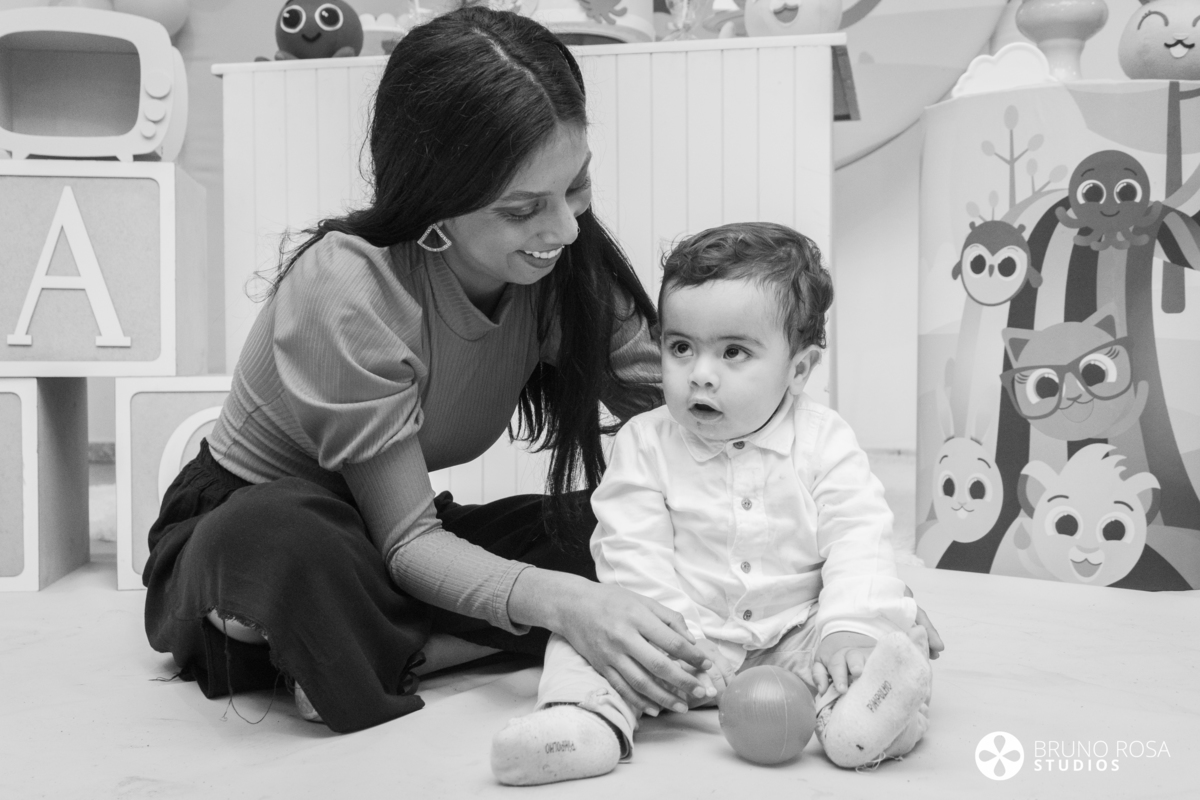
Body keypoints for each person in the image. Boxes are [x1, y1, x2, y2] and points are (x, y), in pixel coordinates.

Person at [142, 7, 718, 734]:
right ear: (435, 201)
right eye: (523, 209)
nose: (565, 229)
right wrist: (568, 603)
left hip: (391, 541)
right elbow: (409, 545)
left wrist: (809, 530)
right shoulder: (348, 286)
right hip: (266, 535)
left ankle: (364, 650)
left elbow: (693, 409)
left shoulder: (564, 266)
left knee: (619, 524)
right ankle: (388, 642)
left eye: (577, 186)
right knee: (283, 537)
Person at [490, 223, 941, 785]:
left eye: (733, 352)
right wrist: (676, 639)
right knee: (580, 642)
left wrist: (850, 624)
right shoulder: (645, 442)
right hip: (682, 641)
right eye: (681, 348)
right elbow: (630, 550)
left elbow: (859, 536)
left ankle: (859, 718)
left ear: (798, 369)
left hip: (794, 634)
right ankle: (583, 724)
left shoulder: (825, 441)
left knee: (889, 633)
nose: (700, 374)